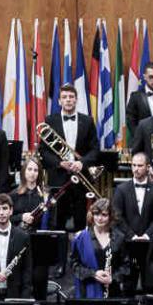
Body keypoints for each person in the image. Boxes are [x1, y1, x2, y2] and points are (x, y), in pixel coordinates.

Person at [38, 85, 103, 231]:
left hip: (81, 179)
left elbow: (95, 149)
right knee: (58, 223)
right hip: (59, 180)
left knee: (81, 220)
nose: (68, 100)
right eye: (64, 97)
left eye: (71, 97)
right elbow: (43, 152)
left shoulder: (87, 121)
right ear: (59, 101)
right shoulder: (50, 121)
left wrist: (82, 163)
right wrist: (60, 163)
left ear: (76, 100)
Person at [69, 198, 122, 301]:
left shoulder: (119, 237)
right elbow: (74, 265)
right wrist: (93, 274)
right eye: (96, 214)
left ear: (110, 216)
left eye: (104, 215)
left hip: (112, 291)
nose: (99, 218)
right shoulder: (81, 237)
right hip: (87, 291)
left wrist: (113, 278)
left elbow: (125, 266)